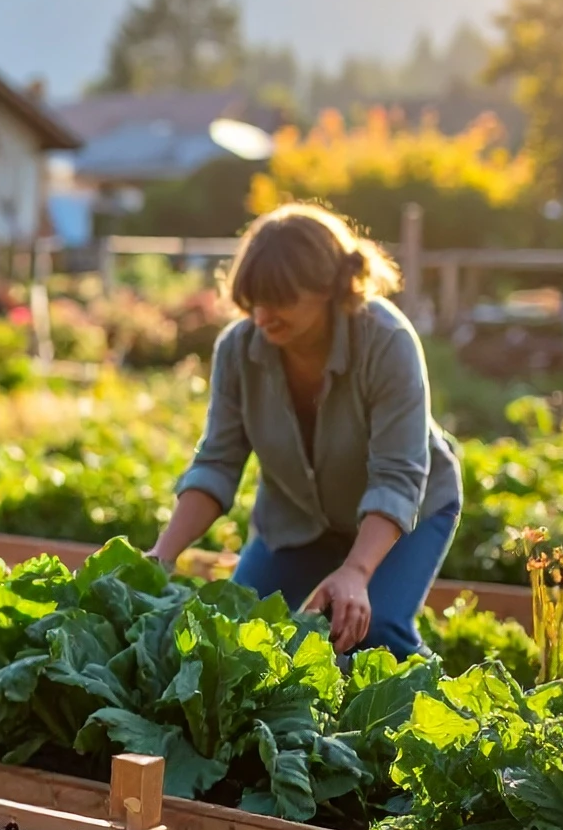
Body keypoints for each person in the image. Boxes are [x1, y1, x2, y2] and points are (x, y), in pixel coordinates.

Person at [145, 203, 460, 657]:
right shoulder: (239, 349)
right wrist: (162, 556)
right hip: (296, 518)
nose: (262, 316)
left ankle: (449, 721)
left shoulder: (386, 340)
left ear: (331, 287)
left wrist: (356, 572)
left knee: (375, 635)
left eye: (280, 300)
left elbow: (398, 476)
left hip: (407, 512)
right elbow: (218, 462)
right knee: (239, 635)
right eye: (254, 300)